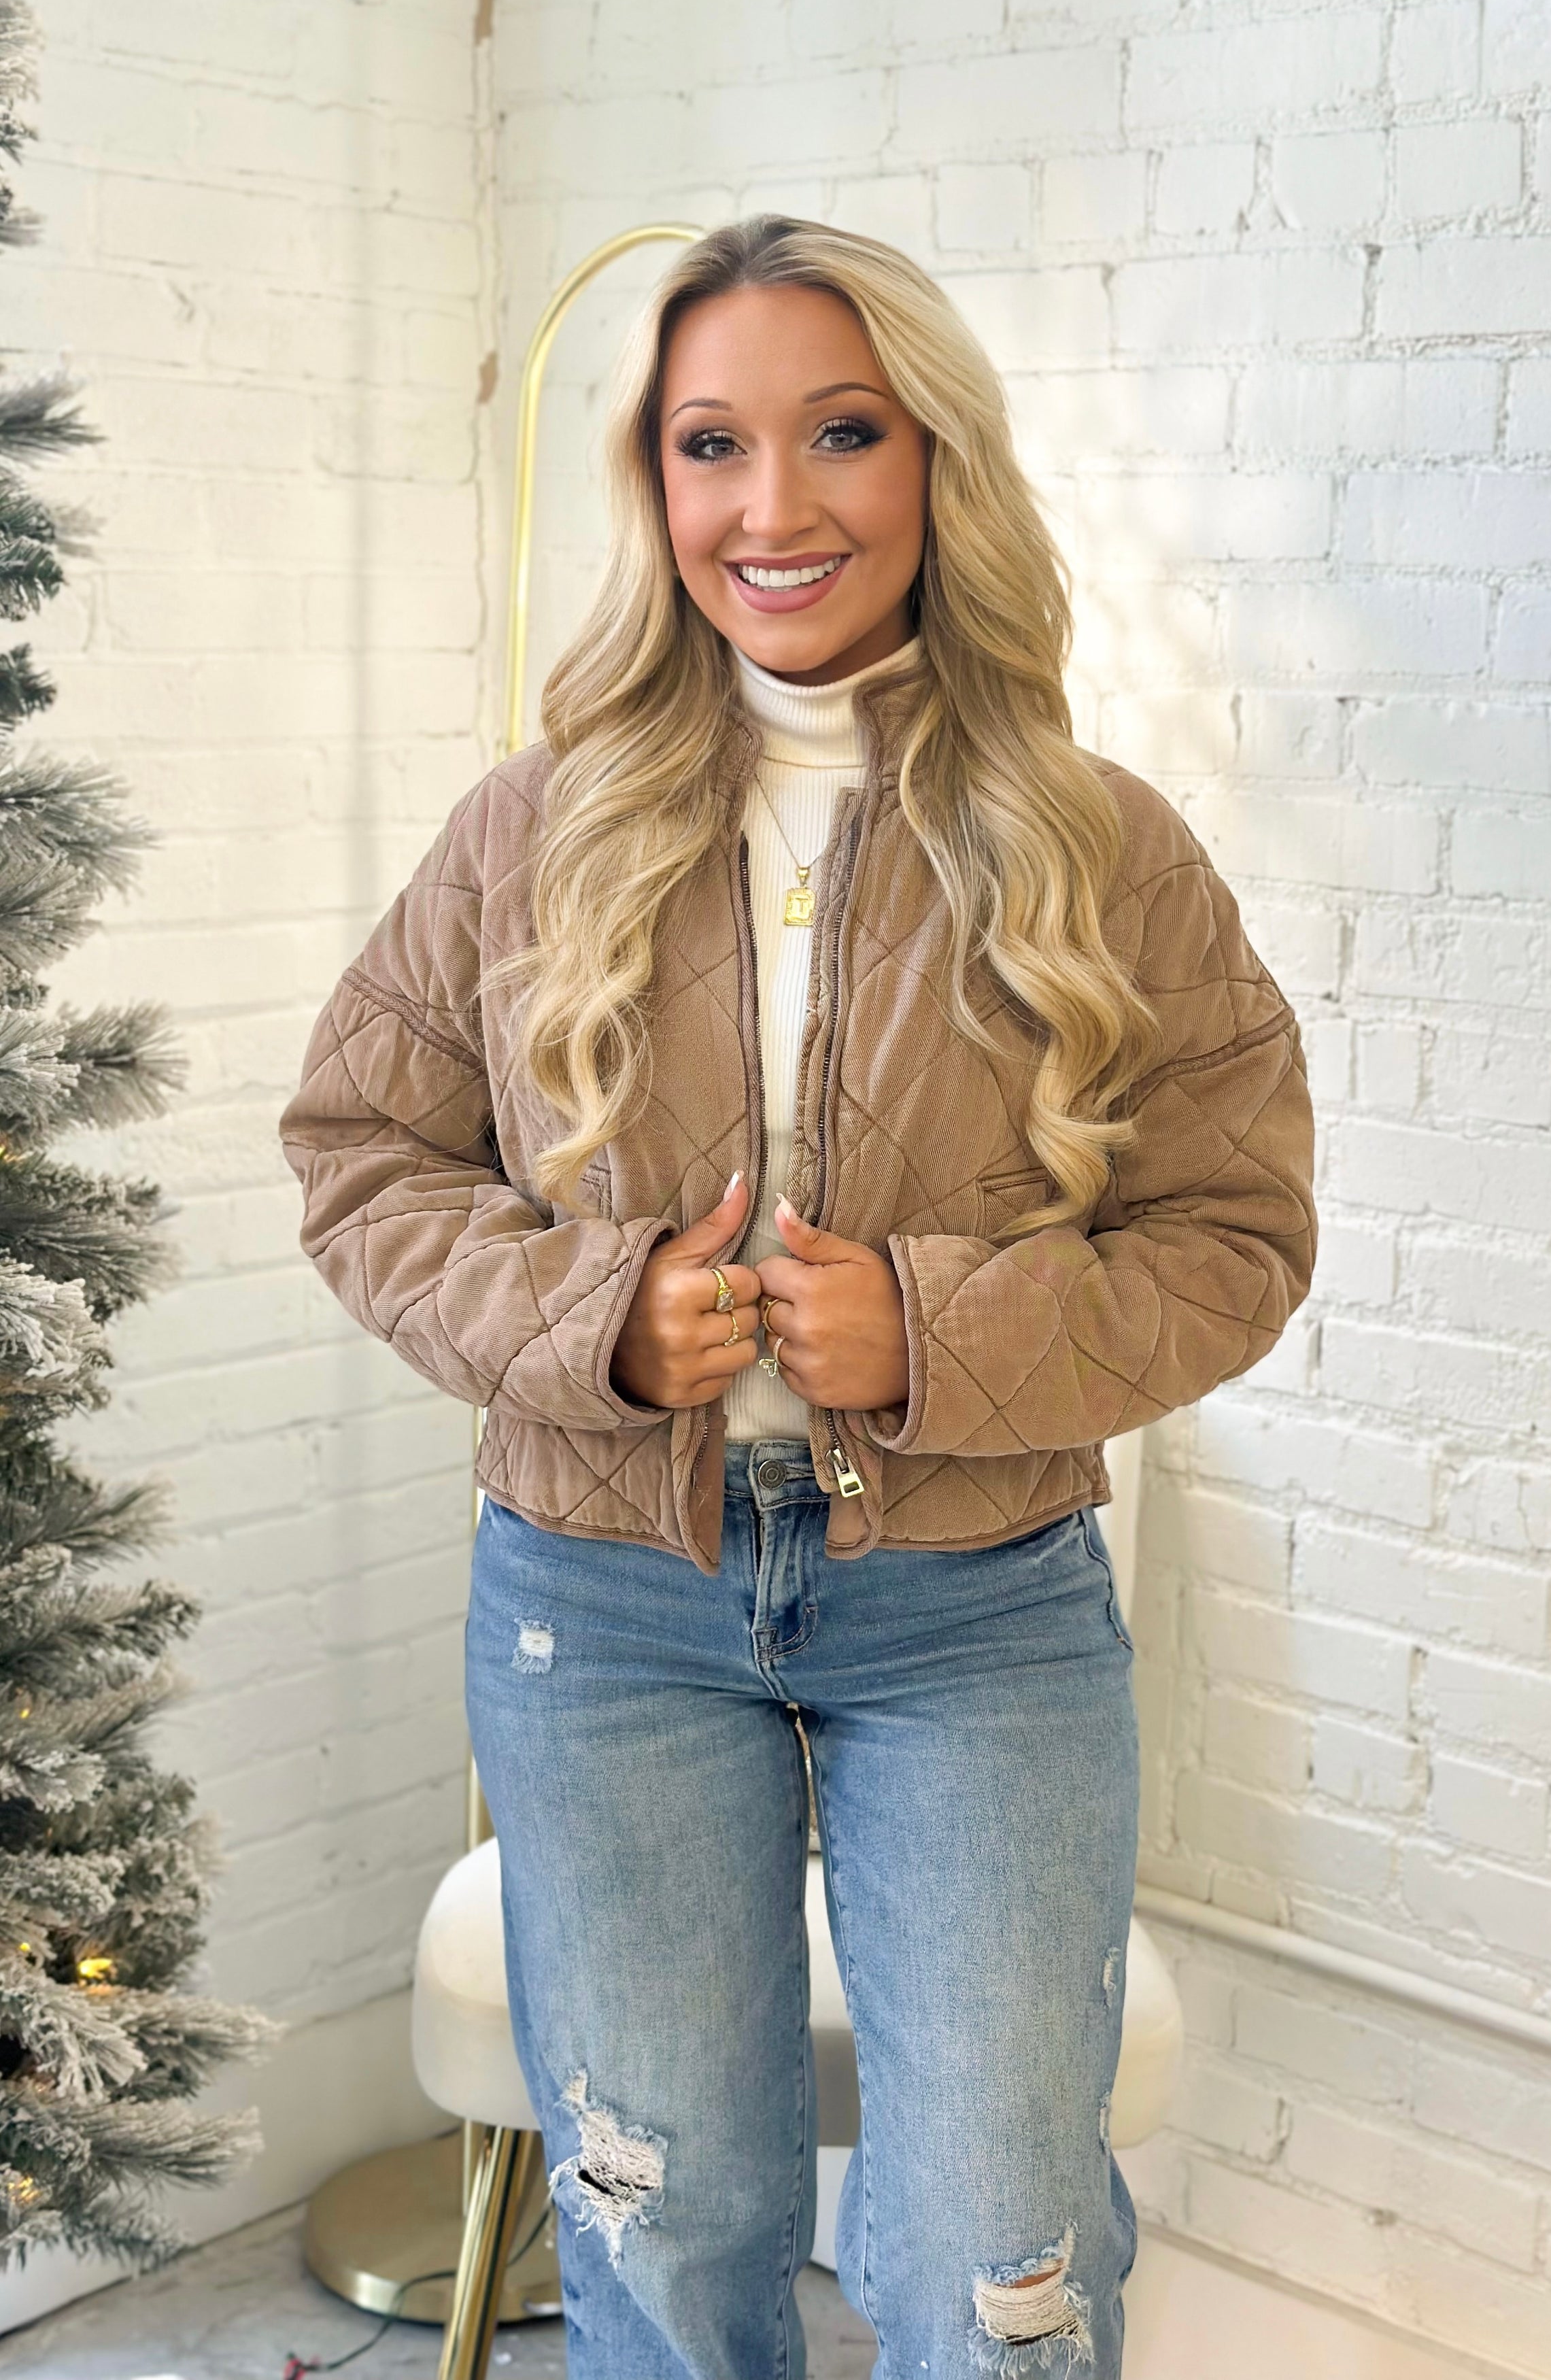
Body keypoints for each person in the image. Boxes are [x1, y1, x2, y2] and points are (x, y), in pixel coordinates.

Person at [280, 215, 1316, 2380]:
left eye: (842, 433)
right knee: (656, 2225)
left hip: (982, 1610)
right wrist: (593, 1322)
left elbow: (1235, 1235)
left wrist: (937, 1334)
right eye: (711, 444)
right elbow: (361, 1157)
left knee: (1000, 2260)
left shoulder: (1101, 848)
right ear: (653, 482)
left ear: (937, 458)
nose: (775, 505)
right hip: (600, 1608)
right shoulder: (526, 834)